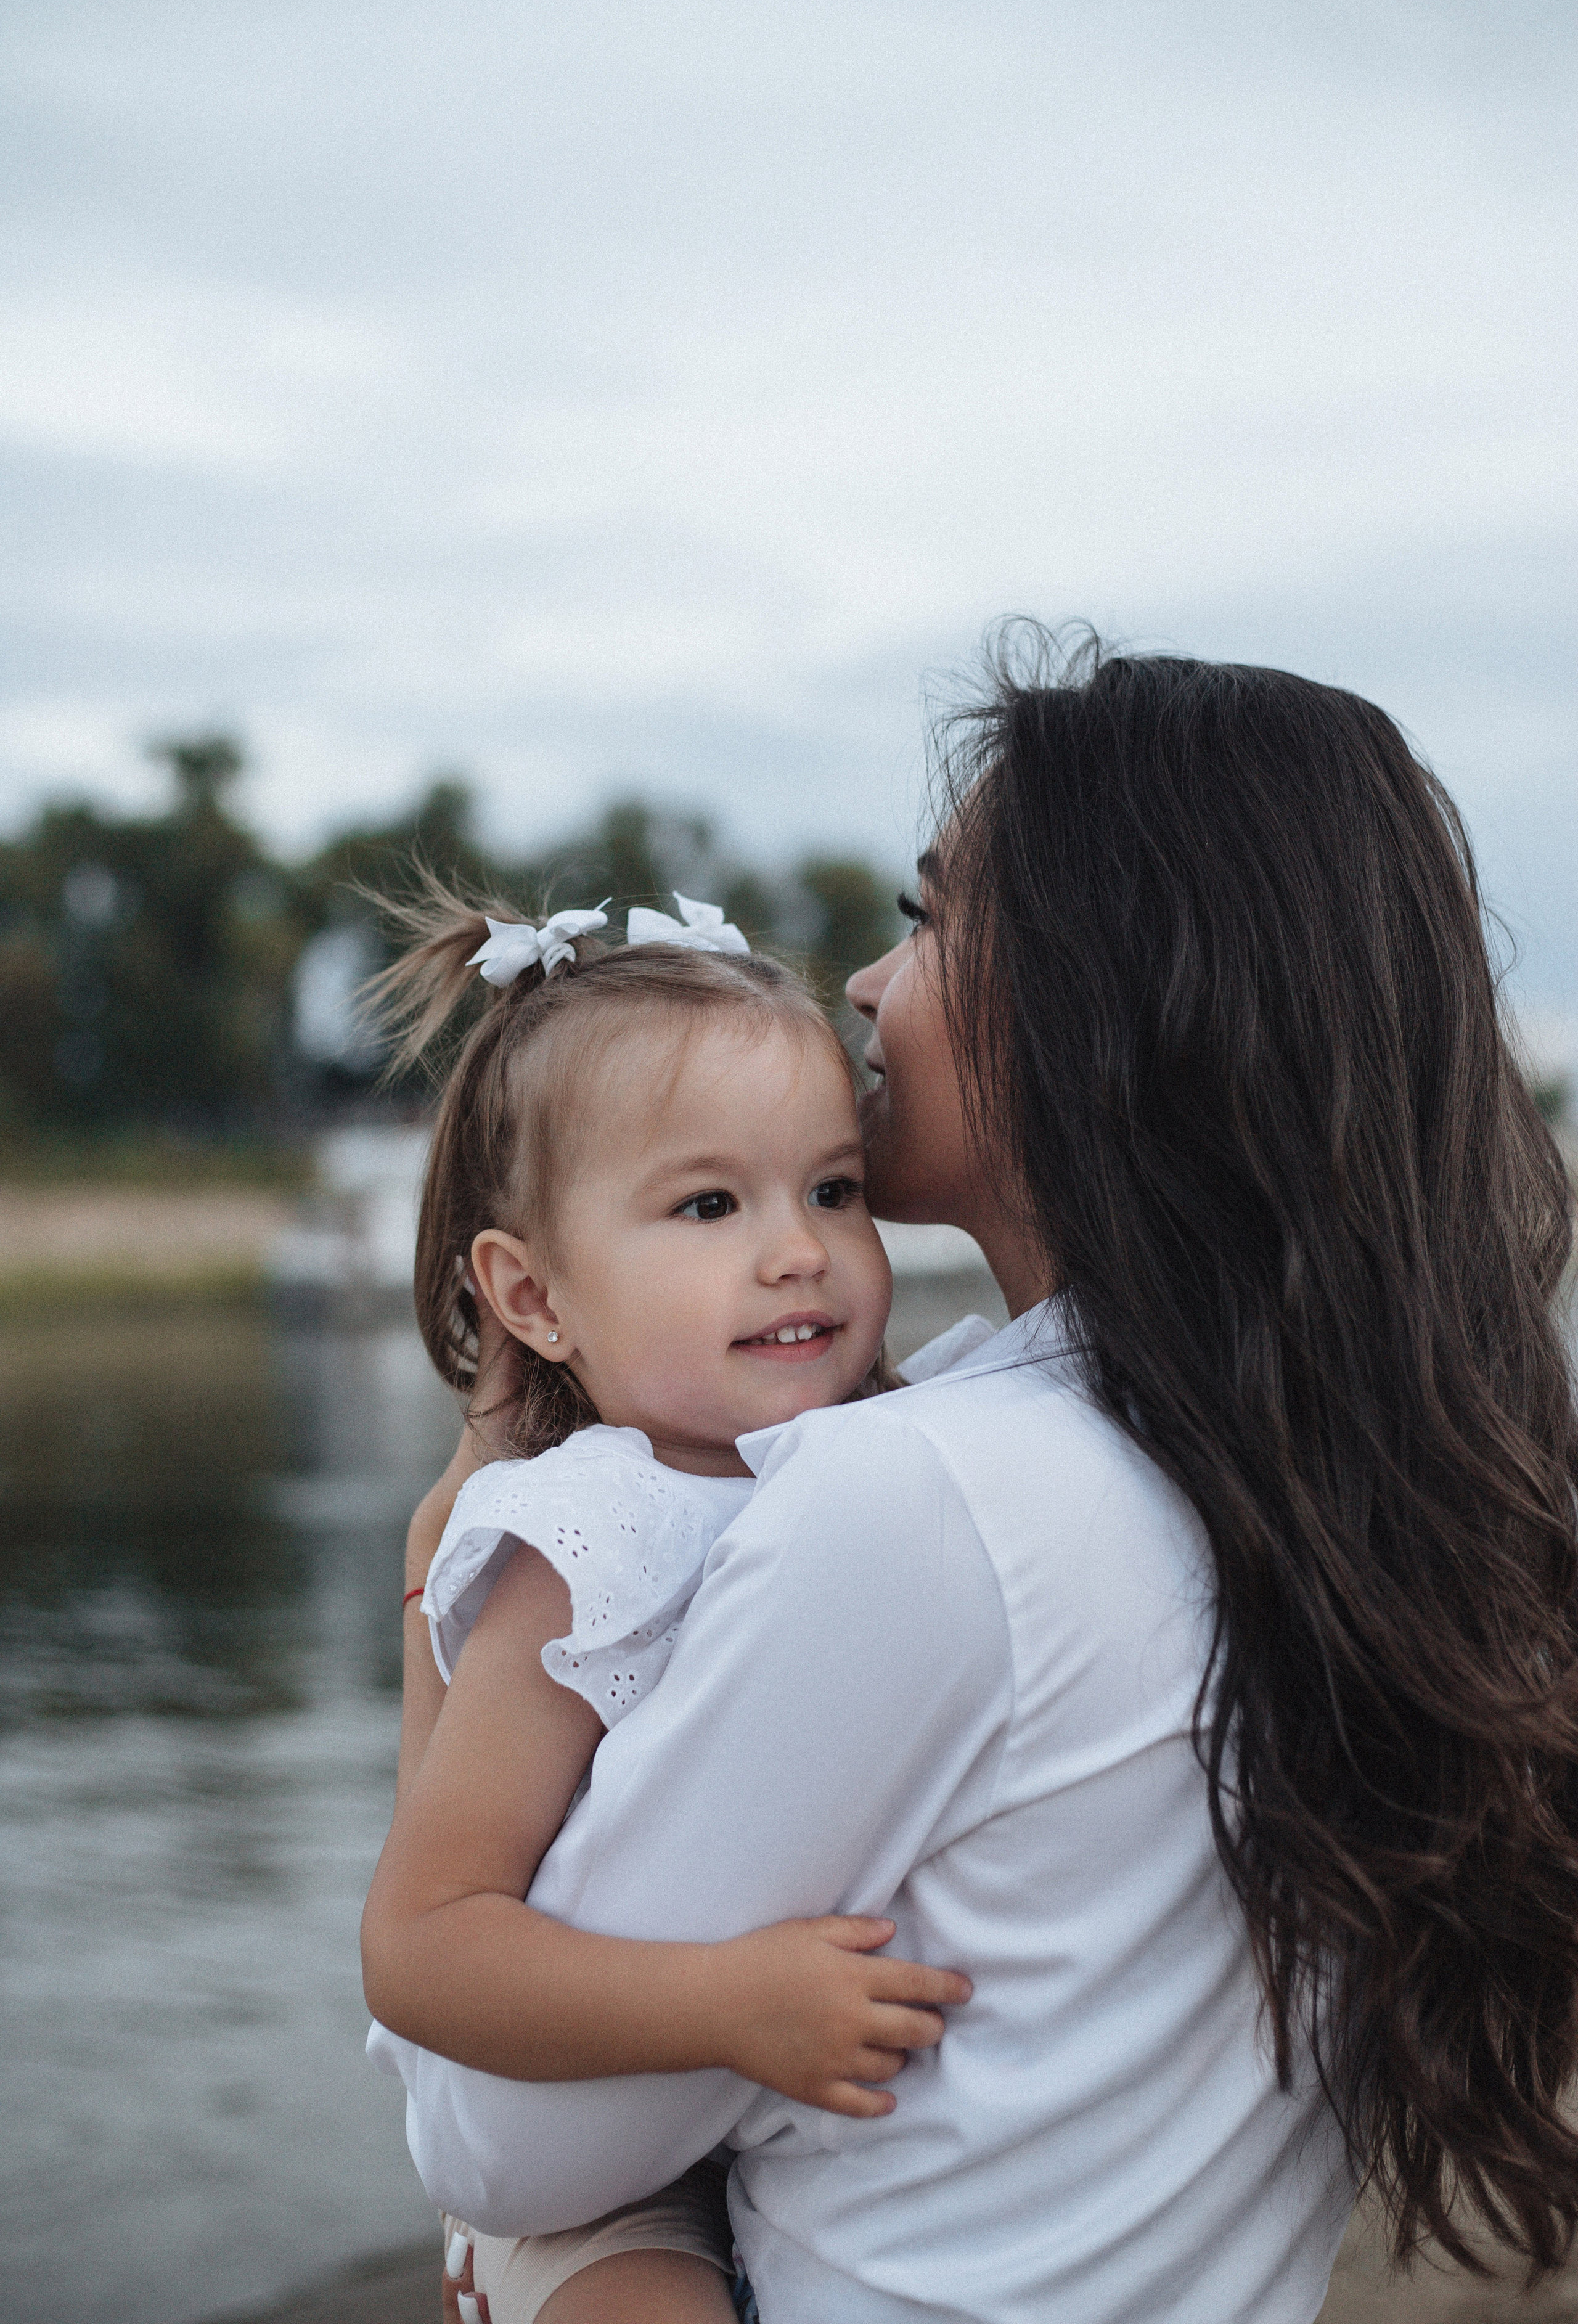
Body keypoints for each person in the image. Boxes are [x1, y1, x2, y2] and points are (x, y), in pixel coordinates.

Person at [380, 634, 1578, 2324]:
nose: (868, 985)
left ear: (1111, 994)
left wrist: (436, 1590)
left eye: (932, 920)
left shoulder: (927, 1501)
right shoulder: (1319, 1481)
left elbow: (499, 2147)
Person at [360, 887, 980, 2324]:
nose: (796, 1250)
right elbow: (422, 1941)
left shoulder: (897, 1451)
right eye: (708, 1205)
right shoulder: (591, 1537)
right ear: (532, 1299)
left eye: (831, 1190)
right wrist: (724, 2006)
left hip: (755, 2121)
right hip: (591, 2162)